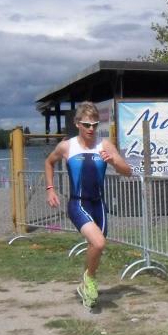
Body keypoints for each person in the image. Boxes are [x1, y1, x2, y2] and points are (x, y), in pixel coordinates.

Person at [45, 102, 132, 309]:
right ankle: (90, 281)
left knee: (96, 247)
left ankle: (86, 283)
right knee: (99, 243)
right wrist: (50, 189)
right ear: (77, 124)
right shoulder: (67, 146)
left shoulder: (104, 145)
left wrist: (113, 161)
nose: (91, 129)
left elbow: (127, 171)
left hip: (98, 205)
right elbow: (49, 162)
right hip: (78, 204)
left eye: (94, 125)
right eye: (86, 125)